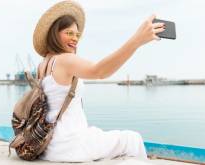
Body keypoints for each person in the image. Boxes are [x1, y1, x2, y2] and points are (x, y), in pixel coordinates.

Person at [33, 1, 165, 162]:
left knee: (99, 135)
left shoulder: (44, 63)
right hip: (70, 146)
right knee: (132, 139)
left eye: (77, 34)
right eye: (69, 33)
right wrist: (137, 40)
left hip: (50, 146)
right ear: (54, 34)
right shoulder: (65, 60)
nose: (75, 38)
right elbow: (99, 71)